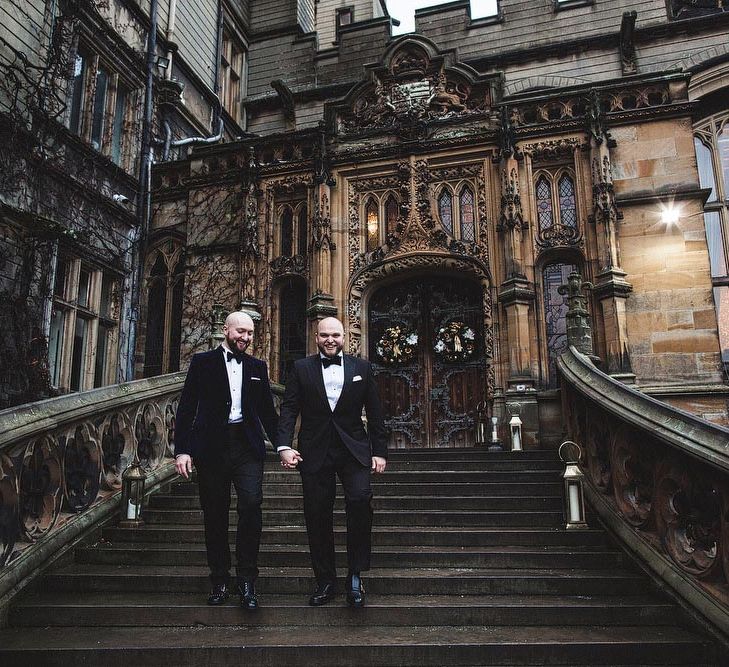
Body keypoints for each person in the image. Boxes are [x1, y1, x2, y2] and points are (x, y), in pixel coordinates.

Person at [276, 316, 387, 608]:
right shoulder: (301, 369)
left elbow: (375, 413)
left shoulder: (362, 368)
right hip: (315, 450)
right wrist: (284, 445)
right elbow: (289, 408)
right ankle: (325, 580)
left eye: (335, 335)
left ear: (344, 337)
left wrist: (380, 452)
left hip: (354, 450)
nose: (330, 340)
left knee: (361, 501)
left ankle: (355, 575)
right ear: (316, 337)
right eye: (324, 335)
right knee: (316, 514)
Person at [174, 311, 278, 610]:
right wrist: (182, 450)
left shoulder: (258, 366)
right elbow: (186, 408)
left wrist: (283, 445)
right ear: (225, 330)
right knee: (215, 514)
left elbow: (267, 413)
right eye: (241, 331)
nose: (245, 337)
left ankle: (247, 580)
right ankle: (220, 578)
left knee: (251, 504)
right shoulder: (202, 362)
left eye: (250, 333)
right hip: (212, 448)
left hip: (247, 447)